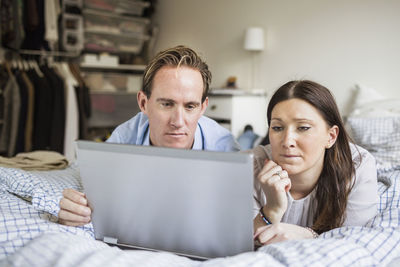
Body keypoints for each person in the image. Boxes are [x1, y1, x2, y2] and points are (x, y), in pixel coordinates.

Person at [58, 45, 240, 226]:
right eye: (167, 104)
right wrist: (77, 210)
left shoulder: (227, 150)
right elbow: (91, 190)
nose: (178, 121)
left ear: (203, 108)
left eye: (190, 106)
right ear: (143, 103)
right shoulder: (123, 140)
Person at [253, 80, 378, 245]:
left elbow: (355, 243)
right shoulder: (251, 165)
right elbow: (232, 244)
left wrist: (309, 236)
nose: (287, 141)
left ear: (331, 136)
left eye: (303, 128)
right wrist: (272, 209)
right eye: (277, 128)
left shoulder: (358, 166)